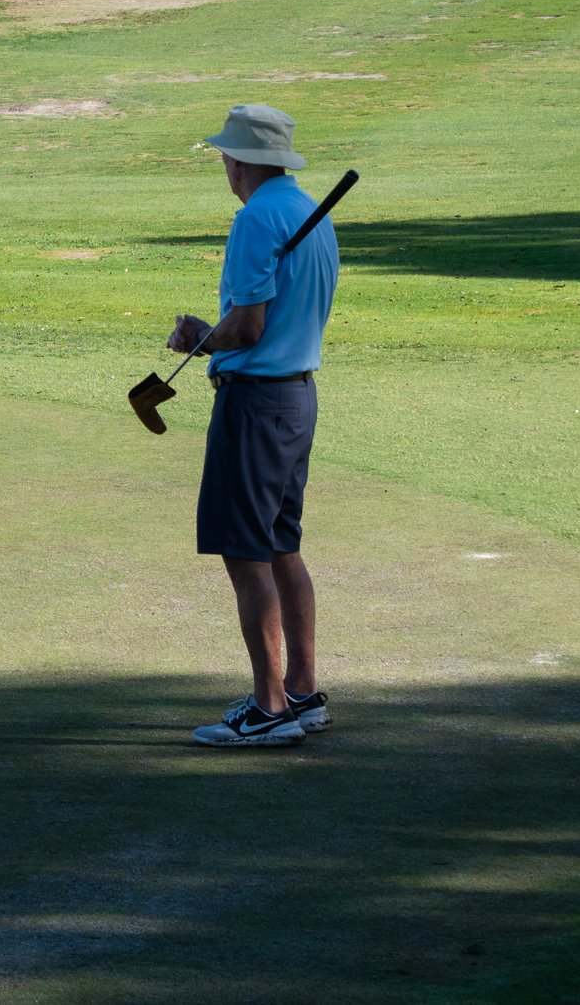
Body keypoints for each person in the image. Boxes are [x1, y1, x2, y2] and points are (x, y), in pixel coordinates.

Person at [165, 105, 339, 748]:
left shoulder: (257, 218)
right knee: (281, 546)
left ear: (239, 160)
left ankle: (269, 709)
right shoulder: (307, 211)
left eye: (224, 155)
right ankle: (301, 692)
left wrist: (200, 337)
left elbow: (247, 328)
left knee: (246, 552)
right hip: (296, 397)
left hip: (257, 403)